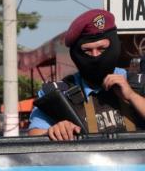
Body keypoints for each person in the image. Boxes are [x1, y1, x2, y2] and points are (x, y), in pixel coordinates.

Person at [27, 9, 145, 141]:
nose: (95, 56)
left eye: (102, 49)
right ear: (76, 54)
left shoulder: (140, 84)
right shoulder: (57, 94)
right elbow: (33, 136)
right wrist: (53, 131)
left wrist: (132, 96)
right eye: (87, 51)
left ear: (114, 46)